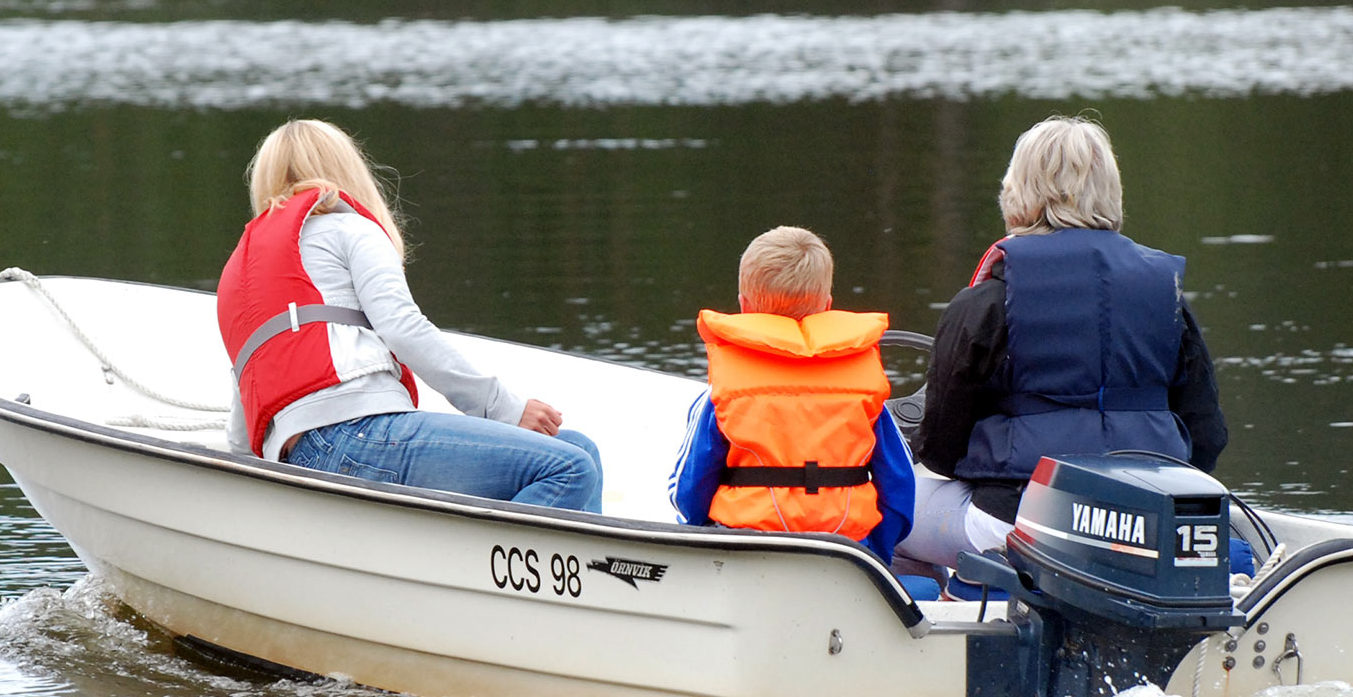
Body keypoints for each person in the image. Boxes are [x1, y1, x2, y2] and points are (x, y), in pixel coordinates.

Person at [903, 116, 1231, 580]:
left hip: (1013, 522)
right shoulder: (1166, 296)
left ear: (1017, 192)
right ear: (1110, 191)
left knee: (888, 500)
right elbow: (1206, 435)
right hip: (1145, 523)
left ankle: (956, 597)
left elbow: (940, 448)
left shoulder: (988, 300)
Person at [217, 119, 603, 513]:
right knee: (570, 467)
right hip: (358, 434)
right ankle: (465, 573)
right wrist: (505, 409)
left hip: (297, 456)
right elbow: (403, 328)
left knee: (576, 448)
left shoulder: (241, 272)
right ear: (347, 168)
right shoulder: (350, 229)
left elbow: (241, 408)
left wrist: (251, 481)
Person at [668, 226, 915, 565]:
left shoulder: (721, 395)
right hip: (847, 553)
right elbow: (900, 488)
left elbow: (689, 490)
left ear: (743, 306)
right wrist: (877, 554)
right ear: (827, 306)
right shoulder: (865, 392)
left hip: (744, 552)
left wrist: (701, 537)